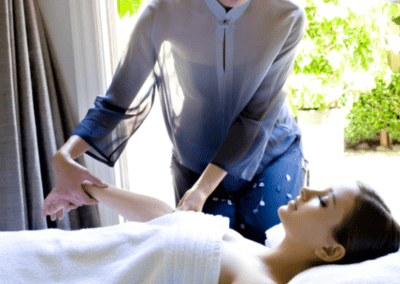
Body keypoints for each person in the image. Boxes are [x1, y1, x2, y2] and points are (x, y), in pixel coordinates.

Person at [44, 0, 308, 244]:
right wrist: (64, 156)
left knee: (268, 243)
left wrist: (201, 192)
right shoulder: (163, 10)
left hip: (270, 151)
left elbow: (254, 119)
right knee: (209, 251)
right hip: (197, 159)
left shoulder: (287, 15)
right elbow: (116, 103)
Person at [40, 181, 400, 284]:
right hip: (62, 253)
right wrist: (89, 191)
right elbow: (170, 220)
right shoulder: (250, 249)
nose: (307, 192)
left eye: (323, 203)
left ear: (331, 251)